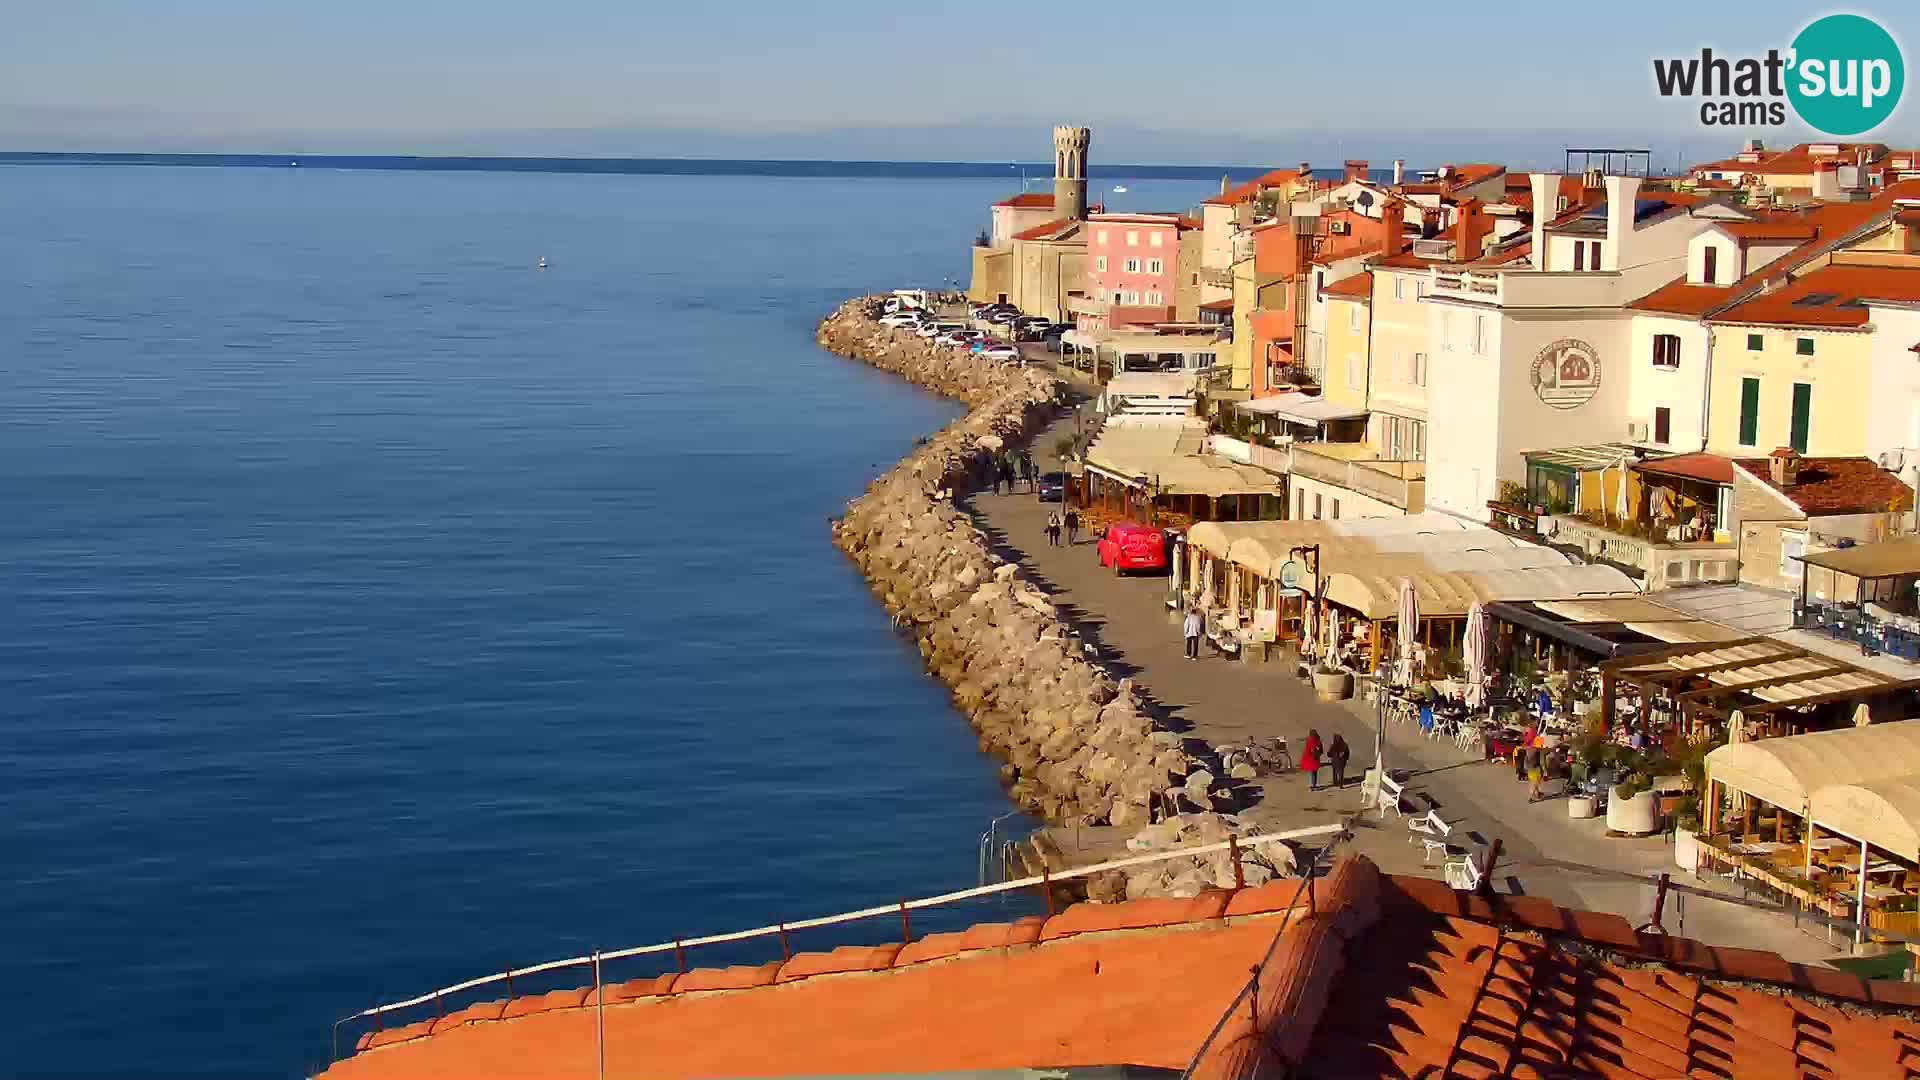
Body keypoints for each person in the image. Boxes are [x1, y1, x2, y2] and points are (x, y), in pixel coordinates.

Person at [1525, 734, 1545, 803]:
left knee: (1535, 782)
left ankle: (1537, 793)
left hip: (1533, 768)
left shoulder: (1532, 748)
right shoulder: (1534, 750)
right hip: (1533, 768)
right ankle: (1531, 798)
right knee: (1534, 783)